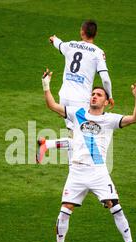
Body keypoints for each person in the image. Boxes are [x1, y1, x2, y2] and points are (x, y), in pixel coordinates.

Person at [41, 68, 136, 242]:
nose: (94, 96)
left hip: (99, 173)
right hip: (77, 171)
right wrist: (46, 85)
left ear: (107, 102)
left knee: (115, 206)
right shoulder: (77, 113)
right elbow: (52, 105)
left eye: (99, 95)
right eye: (93, 94)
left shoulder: (109, 120)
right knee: (65, 209)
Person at [37, 20, 114, 163]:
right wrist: (109, 96)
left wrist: (53, 39)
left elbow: (58, 43)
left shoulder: (70, 45)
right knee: (81, 136)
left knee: (77, 134)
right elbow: (105, 79)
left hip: (64, 96)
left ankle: (48, 145)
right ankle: (57, 154)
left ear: (82, 32)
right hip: (81, 99)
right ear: (95, 34)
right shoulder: (98, 52)